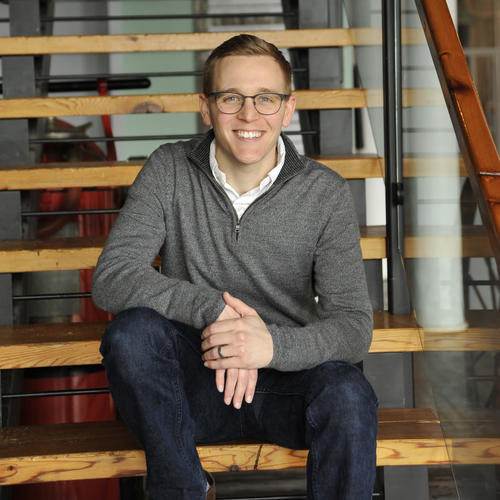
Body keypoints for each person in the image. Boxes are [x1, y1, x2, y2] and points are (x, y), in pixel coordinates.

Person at [92, 34, 378, 500]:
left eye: (266, 98)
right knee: (131, 334)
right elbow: (112, 276)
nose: (249, 115)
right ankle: (185, 490)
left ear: (287, 109)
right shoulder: (168, 168)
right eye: (231, 98)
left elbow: (353, 326)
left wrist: (269, 346)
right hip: (190, 389)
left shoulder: (325, 192)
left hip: (287, 387)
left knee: (348, 392)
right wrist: (216, 312)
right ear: (205, 107)